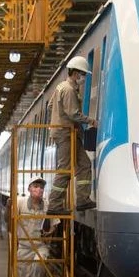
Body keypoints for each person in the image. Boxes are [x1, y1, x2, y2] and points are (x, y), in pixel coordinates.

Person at [47, 55, 98, 214]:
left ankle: (82, 200)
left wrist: (59, 116)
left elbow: (50, 106)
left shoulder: (60, 87)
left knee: (84, 164)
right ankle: (54, 206)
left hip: (68, 133)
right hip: (65, 133)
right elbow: (73, 114)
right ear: (75, 73)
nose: (83, 78)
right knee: (64, 169)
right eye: (82, 74)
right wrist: (91, 121)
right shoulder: (68, 89)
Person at [15, 178, 56, 277]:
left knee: (40, 261)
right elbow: (9, 220)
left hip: (40, 246)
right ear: (29, 188)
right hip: (23, 247)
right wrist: (7, 207)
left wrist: (48, 233)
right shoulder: (19, 203)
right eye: (36, 186)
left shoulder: (47, 205)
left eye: (41, 187)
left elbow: (54, 226)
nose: (39, 189)